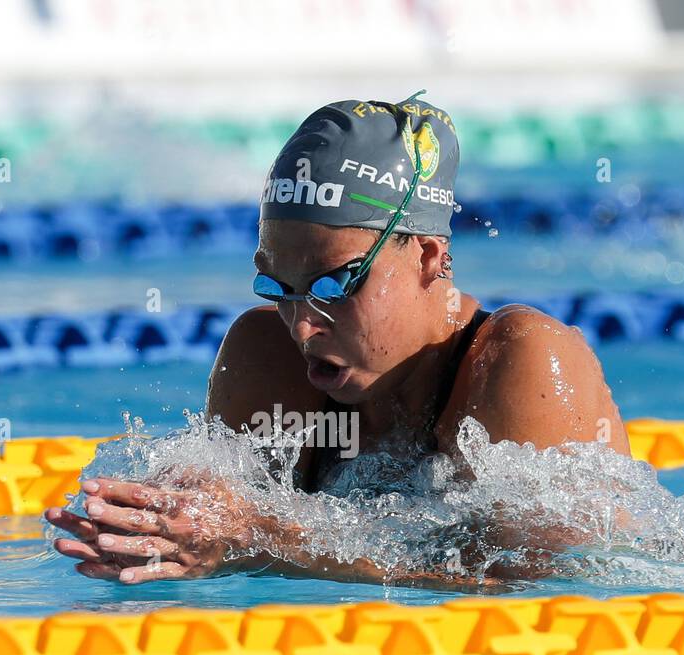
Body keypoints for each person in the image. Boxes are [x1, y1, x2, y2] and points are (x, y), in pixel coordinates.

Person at [46, 93, 630, 586]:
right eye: (279, 288)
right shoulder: (265, 355)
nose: (302, 325)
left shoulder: (521, 359)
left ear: (428, 256)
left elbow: (529, 584)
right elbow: (221, 520)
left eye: (335, 283)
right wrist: (161, 525)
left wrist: (260, 537)